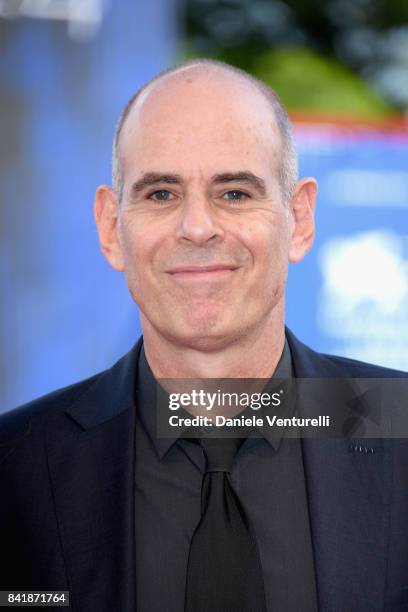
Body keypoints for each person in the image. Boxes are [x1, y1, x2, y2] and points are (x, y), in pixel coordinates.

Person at [1, 59, 407, 612]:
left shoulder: (399, 427)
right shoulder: (15, 468)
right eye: (161, 194)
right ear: (109, 227)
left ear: (300, 218)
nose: (197, 227)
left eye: (235, 193)